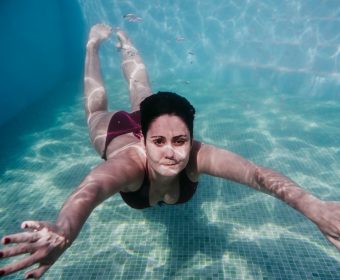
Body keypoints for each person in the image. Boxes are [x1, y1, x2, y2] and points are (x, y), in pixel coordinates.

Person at [1, 23, 340, 279]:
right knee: (95, 107)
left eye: (180, 141)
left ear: (190, 137)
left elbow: (257, 175)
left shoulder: (195, 154)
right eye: (159, 142)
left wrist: (313, 206)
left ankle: (126, 45)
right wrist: (64, 228)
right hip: (116, 133)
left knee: (144, 92)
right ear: (144, 138)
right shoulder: (129, 165)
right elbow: (91, 189)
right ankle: (93, 45)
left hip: (152, 120)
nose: (171, 154)